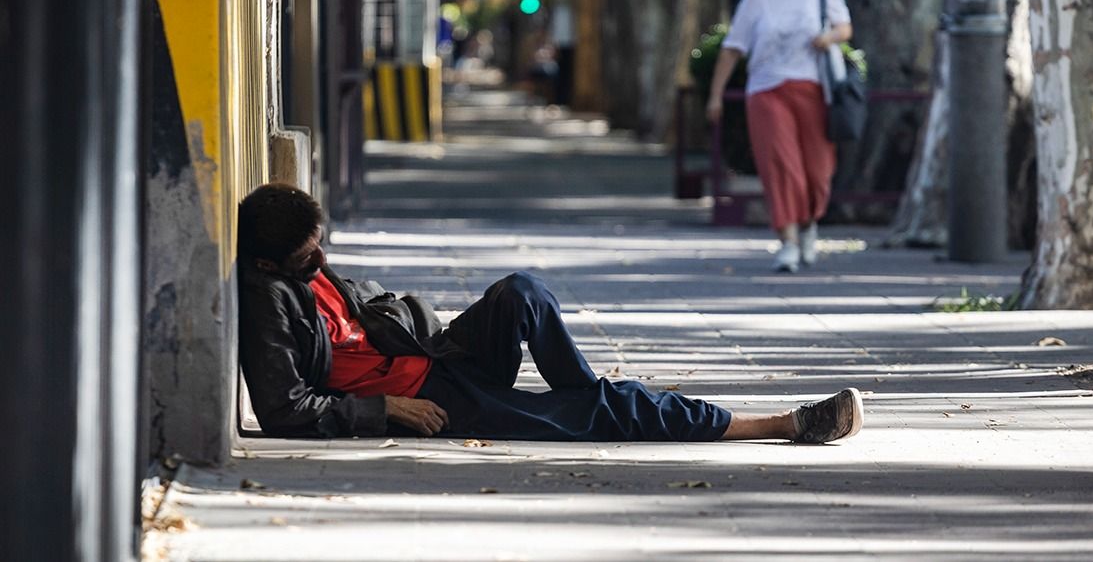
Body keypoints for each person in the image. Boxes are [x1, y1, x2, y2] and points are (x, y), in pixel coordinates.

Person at [237, 183, 864, 443]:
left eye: (319, 243)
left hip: (435, 358)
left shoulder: (303, 266)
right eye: (302, 256)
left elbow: (363, 323)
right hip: (430, 397)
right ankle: (779, 424)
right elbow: (284, 409)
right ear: (268, 266)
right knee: (599, 409)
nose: (317, 260)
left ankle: (589, 402)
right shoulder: (266, 301)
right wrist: (385, 409)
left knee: (522, 290)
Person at [705, 0, 853, 272]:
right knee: (782, 166)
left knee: (818, 171)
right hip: (767, 91)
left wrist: (828, 38)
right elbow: (732, 50)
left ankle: (808, 225)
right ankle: (787, 240)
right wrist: (716, 96)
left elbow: (845, 28)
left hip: (814, 89)